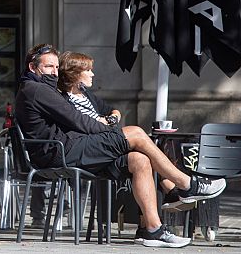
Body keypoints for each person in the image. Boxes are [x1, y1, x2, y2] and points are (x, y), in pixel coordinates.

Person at [14, 43, 227, 248]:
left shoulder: (42, 89)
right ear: (33, 67)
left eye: (56, 67)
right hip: (61, 153)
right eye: (48, 66)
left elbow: (90, 117)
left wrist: (112, 127)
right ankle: (187, 185)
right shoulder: (36, 90)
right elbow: (79, 121)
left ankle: (152, 229)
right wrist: (114, 131)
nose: (54, 72)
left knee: (139, 159)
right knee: (135, 132)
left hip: (70, 149)